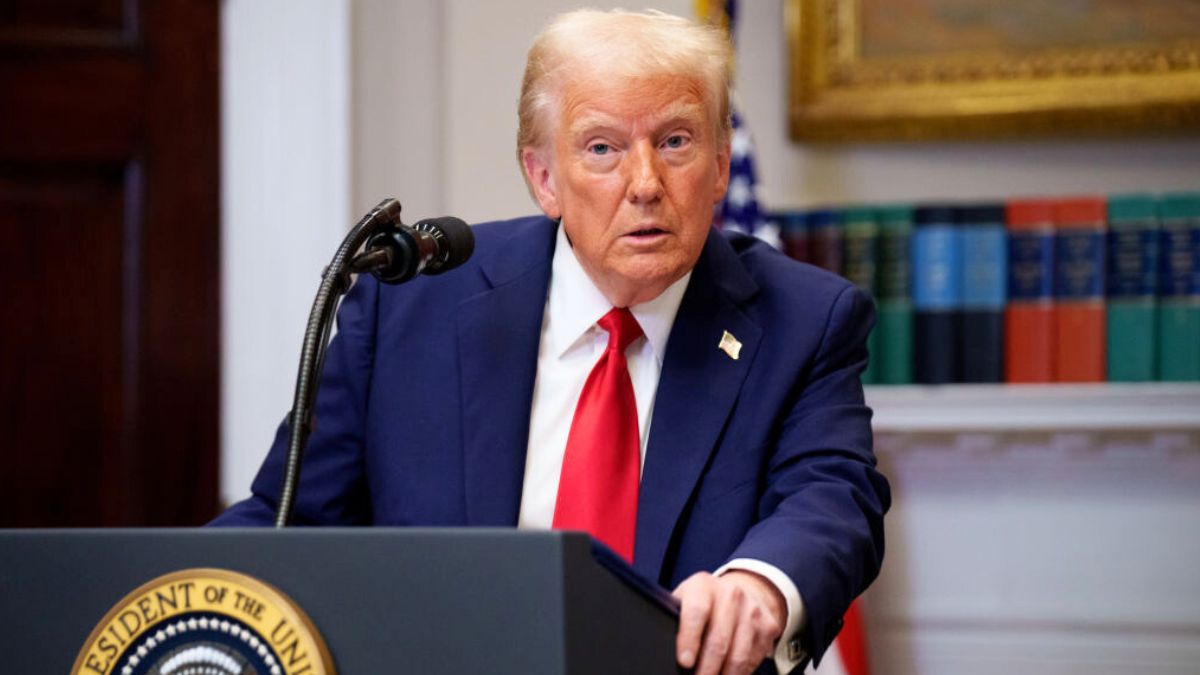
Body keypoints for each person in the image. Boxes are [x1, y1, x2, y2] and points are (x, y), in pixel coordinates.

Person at [213, 9, 889, 675]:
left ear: (719, 165)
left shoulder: (803, 320)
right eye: (602, 148)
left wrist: (760, 585)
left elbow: (831, 497)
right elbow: (287, 527)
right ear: (543, 178)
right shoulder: (408, 309)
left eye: (676, 141)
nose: (646, 184)